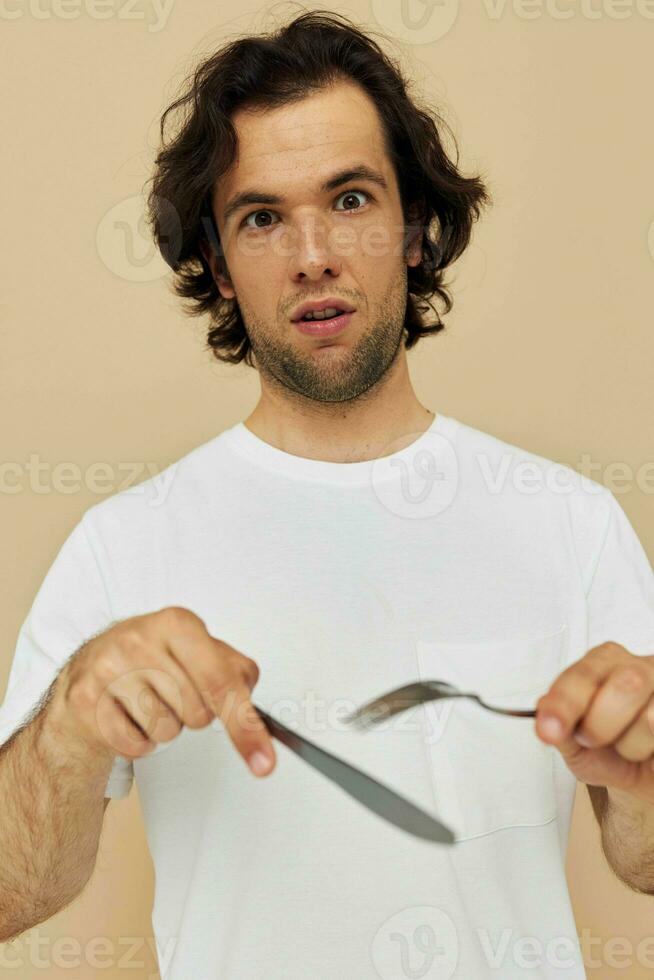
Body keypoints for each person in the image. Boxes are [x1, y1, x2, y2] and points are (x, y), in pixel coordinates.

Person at [1, 9, 653, 979]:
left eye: (350, 199)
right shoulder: (121, 544)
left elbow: (642, 859)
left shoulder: (572, 523)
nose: (312, 253)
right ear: (219, 267)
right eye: (262, 217)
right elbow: (14, 893)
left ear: (416, 230)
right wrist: (70, 722)